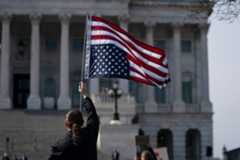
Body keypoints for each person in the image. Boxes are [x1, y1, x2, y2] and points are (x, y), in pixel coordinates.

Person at [48, 82, 100, 160]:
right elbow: (92, 113)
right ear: (82, 121)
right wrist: (84, 94)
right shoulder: (91, 133)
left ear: (66, 124)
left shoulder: (62, 146)